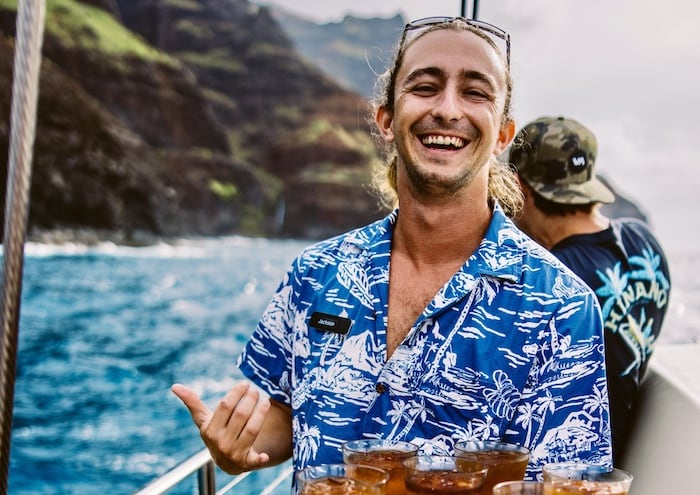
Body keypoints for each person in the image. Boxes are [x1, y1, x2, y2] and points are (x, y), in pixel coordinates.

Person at [172, 18, 613, 481]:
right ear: (386, 120)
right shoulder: (314, 274)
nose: (446, 109)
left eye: (475, 92)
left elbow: (568, 484)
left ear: (503, 136)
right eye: (425, 87)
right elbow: (282, 413)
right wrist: (235, 445)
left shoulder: (561, 306)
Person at [509, 115, 671, 463]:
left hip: (567, 472)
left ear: (520, 188)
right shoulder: (646, 244)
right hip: (619, 461)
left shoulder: (553, 281)